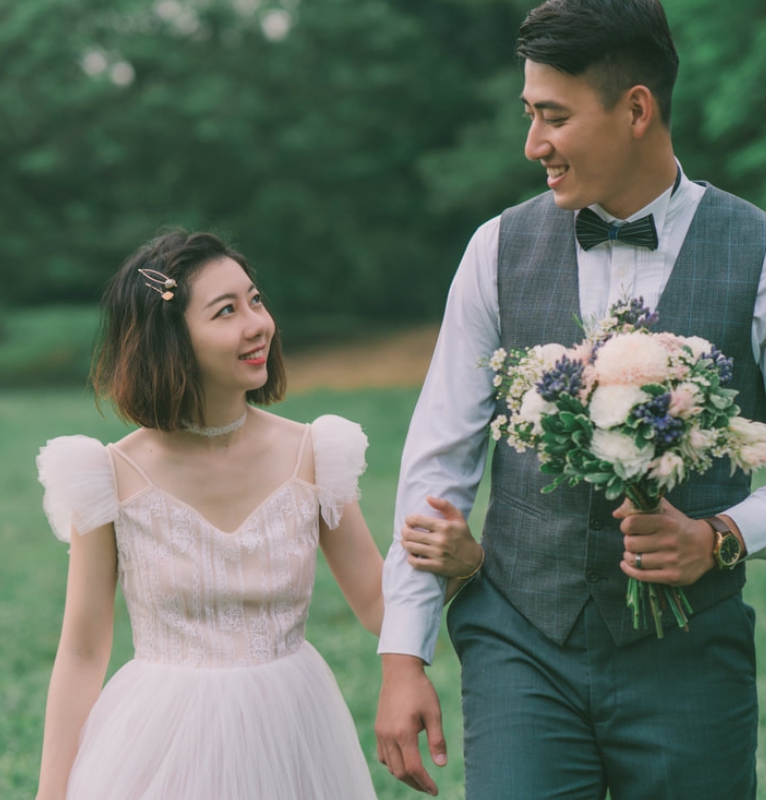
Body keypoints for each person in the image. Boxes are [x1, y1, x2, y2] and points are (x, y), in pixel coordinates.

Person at [375, 1, 766, 797]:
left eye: (554, 117)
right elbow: (437, 462)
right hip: (520, 643)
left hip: (690, 658)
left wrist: (722, 536)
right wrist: (404, 655)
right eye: (530, 114)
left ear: (636, 108)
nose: (533, 143)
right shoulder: (494, 250)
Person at [32, 229, 482, 800]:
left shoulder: (314, 454)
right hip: (160, 739)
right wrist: (51, 793)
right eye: (226, 311)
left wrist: (459, 565)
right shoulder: (109, 475)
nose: (258, 324)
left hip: (293, 731)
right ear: (170, 339)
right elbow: (83, 649)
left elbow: (378, 607)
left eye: (256, 300)